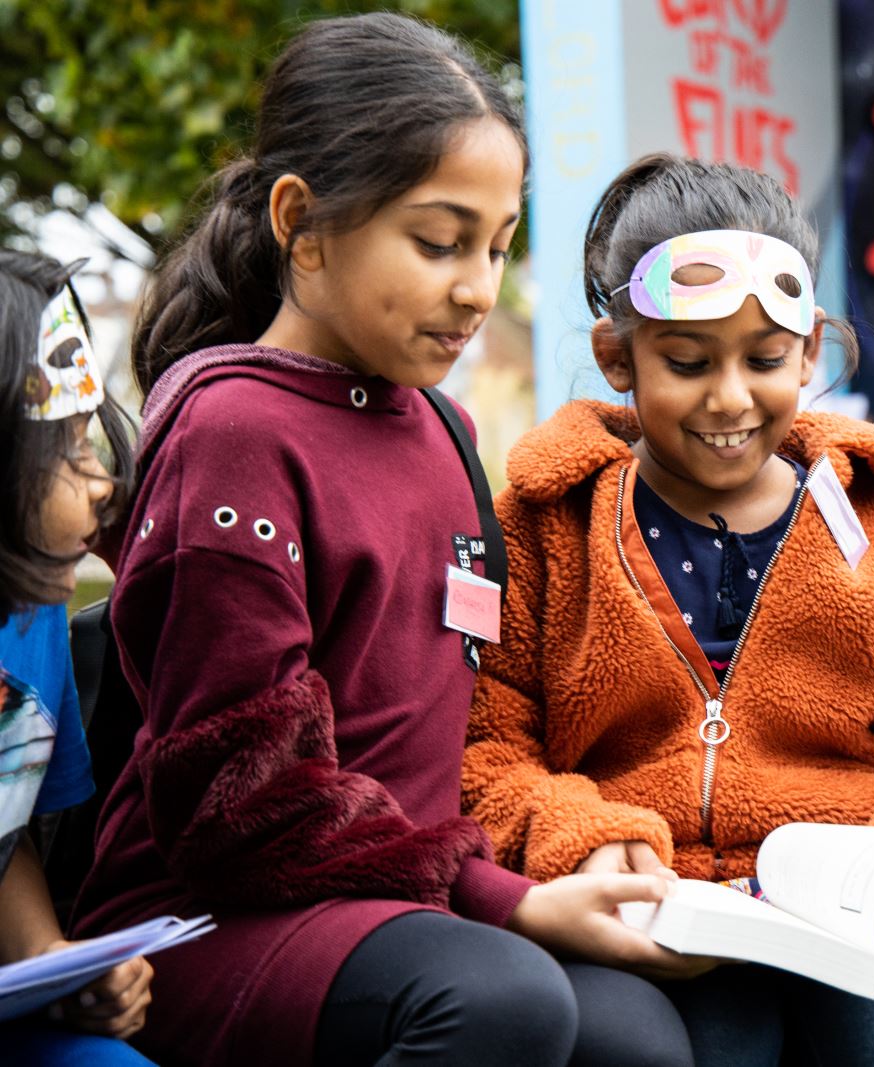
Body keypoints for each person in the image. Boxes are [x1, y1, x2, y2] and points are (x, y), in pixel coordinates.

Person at [69, 15, 692, 1067]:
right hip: (207, 915)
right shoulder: (233, 434)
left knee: (641, 1039)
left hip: (393, 900)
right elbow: (244, 801)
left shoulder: (444, 426)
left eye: (498, 246)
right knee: (502, 1001)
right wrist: (505, 900)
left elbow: (460, 706)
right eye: (439, 241)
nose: (477, 287)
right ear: (303, 224)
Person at [464, 153, 874, 1067]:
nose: (730, 398)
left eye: (766, 359)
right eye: (687, 363)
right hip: (648, 919)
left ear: (809, 351)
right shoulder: (539, 527)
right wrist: (586, 841)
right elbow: (489, 747)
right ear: (617, 358)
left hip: (851, 924)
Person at [0, 251, 152, 1065]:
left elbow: (7, 830)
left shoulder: (34, 619)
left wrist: (53, 961)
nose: (102, 483)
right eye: (66, 445)